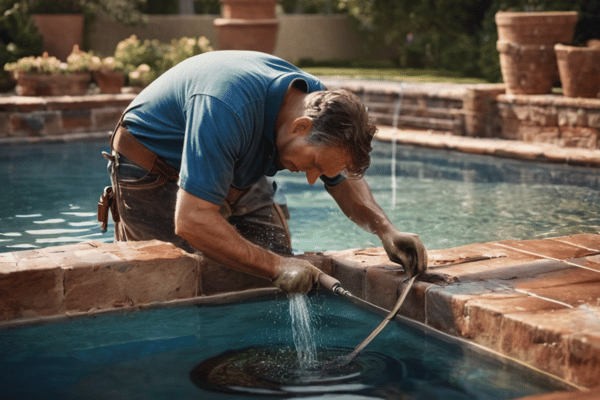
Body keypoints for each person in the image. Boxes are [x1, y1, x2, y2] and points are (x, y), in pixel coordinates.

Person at [97, 50, 427, 294]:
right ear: (300, 127)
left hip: (233, 155)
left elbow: (341, 180)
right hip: (154, 166)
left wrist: (386, 231)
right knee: (170, 284)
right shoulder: (225, 106)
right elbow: (191, 220)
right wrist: (275, 266)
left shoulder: (320, 106)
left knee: (282, 268)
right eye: (312, 165)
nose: (313, 178)